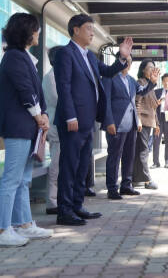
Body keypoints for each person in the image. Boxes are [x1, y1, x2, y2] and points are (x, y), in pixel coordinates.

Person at [54, 15, 133, 226]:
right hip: (73, 121)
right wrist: (70, 115)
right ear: (75, 30)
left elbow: (107, 72)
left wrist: (122, 58)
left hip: (88, 122)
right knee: (69, 166)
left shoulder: (88, 56)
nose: (92, 33)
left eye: (93, 29)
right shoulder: (65, 53)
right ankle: (64, 211)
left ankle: (77, 205)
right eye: (89, 28)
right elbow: (64, 87)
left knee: (82, 167)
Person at [0, 13, 53, 246]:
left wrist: (42, 116)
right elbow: (25, 91)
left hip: (27, 127)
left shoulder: (22, 57)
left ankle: (24, 224)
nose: (38, 33)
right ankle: (1, 230)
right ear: (25, 32)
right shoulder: (15, 57)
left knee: (23, 179)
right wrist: (39, 116)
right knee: (12, 179)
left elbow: (34, 92)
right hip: (18, 127)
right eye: (35, 29)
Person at [102, 54, 159, 200]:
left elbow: (142, 91)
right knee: (114, 157)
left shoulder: (131, 80)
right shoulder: (110, 78)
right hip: (116, 124)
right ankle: (112, 188)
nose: (127, 64)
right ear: (118, 61)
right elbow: (105, 101)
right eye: (125, 61)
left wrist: (152, 82)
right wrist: (109, 121)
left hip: (131, 125)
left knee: (129, 156)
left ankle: (126, 185)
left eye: (130, 62)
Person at [133, 59, 160, 190]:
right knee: (143, 151)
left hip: (149, 123)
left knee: (142, 151)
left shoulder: (151, 84)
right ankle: (147, 180)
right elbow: (136, 102)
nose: (152, 70)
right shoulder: (140, 83)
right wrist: (137, 119)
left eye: (154, 68)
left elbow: (153, 107)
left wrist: (157, 124)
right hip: (142, 122)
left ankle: (136, 178)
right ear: (143, 69)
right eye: (150, 68)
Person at [43, 45, 62, 215]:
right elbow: (57, 99)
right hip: (55, 124)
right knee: (55, 163)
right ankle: (51, 201)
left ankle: (58, 198)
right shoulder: (50, 77)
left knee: (61, 162)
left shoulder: (59, 75)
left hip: (60, 123)